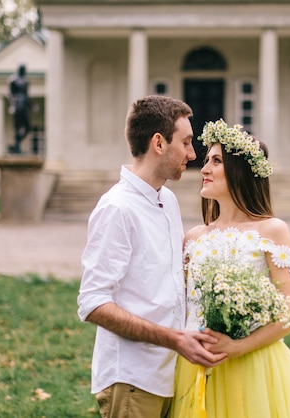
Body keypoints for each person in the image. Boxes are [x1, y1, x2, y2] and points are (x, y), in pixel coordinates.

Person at [77, 96, 227, 418]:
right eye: (186, 142)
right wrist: (175, 339)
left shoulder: (168, 200)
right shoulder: (116, 209)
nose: (192, 153)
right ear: (158, 143)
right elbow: (92, 302)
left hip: (172, 375)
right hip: (133, 379)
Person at [171, 119, 290, 417]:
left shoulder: (272, 230)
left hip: (253, 367)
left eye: (216, 161)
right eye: (206, 160)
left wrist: (237, 346)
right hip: (194, 367)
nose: (203, 169)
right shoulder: (192, 238)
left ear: (240, 171)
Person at [8, 64, 31, 154]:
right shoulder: (14, 80)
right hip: (18, 105)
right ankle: (16, 146)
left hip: (23, 105)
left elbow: (27, 96)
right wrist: (12, 105)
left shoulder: (26, 82)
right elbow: (10, 94)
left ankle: (17, 144)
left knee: (27, 127)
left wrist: (32, 106)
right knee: (17, 127)